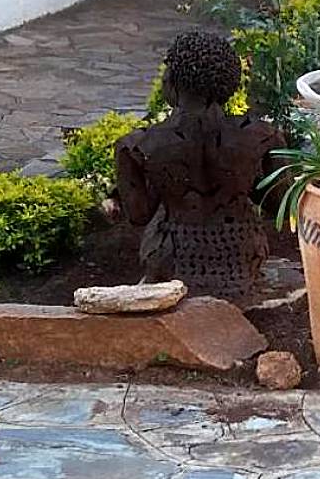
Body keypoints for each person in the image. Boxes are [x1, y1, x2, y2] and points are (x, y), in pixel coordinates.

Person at [115, 30, 286, 303]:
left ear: (172, 81)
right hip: (241, 258)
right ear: (229, 83)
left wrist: (167, 180)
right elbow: (279, 207)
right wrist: (239, 177)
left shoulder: (137, 146)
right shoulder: (263, 137)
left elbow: (139, 216)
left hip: (170, 262)